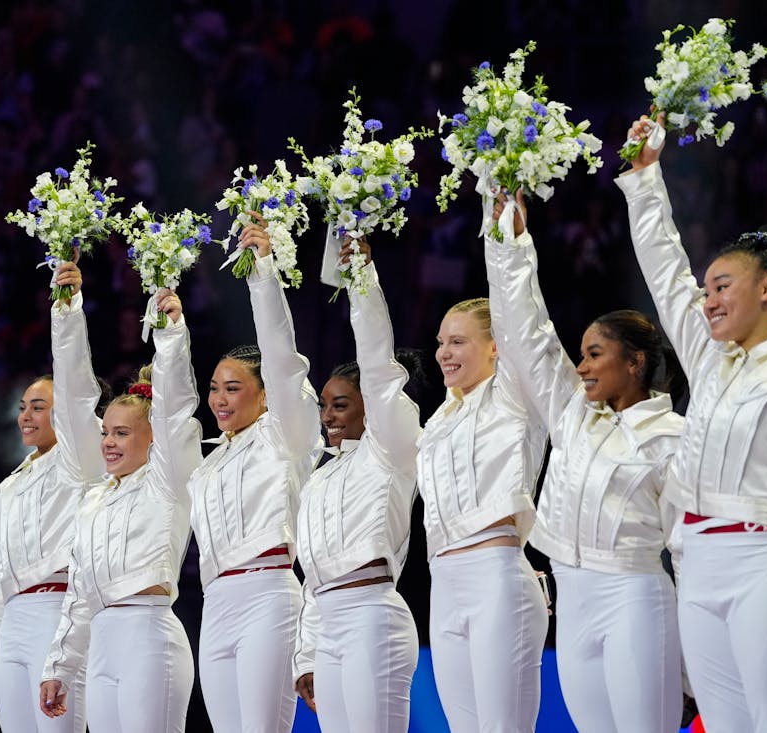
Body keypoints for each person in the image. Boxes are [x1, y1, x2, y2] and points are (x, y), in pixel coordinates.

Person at [617, 113, 767, 731]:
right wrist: (645, 177)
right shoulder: (711, 360)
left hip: (764, 564)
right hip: (696, 563)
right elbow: (665, 273)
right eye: (707, 291)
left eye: (723, 286)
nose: (708, 300)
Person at [489, 189, 684, 731]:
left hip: (636, 601)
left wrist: (692, 663)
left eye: (595, 354)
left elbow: (691, 550)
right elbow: (529, 334)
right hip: (571, 602)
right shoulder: (572, 414)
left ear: (636, 362)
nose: (581, 367)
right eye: (582, 355)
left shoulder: (673, 436)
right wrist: (511, 239)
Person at [37, 262, 200, 733]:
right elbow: (79, 593)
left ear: (152, 438)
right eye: (106, 432)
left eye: (122, 433)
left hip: (149, 638)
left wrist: (171, 337)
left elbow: (175, 411)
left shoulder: (167, 480)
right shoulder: (93, 500)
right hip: (101, 644)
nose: (107, 442)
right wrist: (60, 667)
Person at [417, 213, 549, 731]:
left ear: (496, 346)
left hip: (497, 576)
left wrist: (506, 239)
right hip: (443, 581)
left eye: (458, 342)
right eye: (441, 342)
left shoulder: (514, 397)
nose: (443, 353)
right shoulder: (436, 422)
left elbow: (525, 322)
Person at [190, 213, 322, 732]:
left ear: (264, 394)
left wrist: (263, 274)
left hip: (268, 594)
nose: (220, 399)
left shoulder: (284, 434)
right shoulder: (210, 460)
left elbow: (283, 359)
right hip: (215, 601)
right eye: (215, 388)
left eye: (234, 388)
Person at [0, 266, 90, 731]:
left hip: (58, 615)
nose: (27, 414)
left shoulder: (77, 464)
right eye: (23, 406)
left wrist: (66, 311)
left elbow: (75, 388)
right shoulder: (5, 489)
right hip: (12, 624)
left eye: (40, 406)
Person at [292, 239, 420, 732]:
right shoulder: (320, 478)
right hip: (330, 625)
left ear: (369, 405)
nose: (328, 416)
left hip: (374, 620)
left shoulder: (390, 448)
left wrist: (362, 280)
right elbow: (312, 576)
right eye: (324, 405)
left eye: (340, 404)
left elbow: (378, 365)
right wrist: (306, 652)